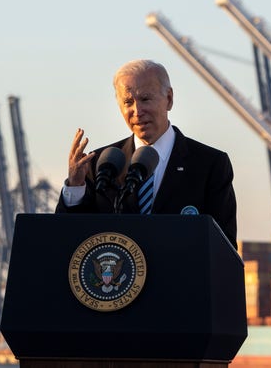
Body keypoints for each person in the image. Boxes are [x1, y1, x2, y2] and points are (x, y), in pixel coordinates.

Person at [55, 59, 238, 247]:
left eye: (145, 99)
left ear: (169, 99)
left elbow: (224, 247)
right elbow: (69, 240)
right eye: (128, 102)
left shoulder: (209, 164)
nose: (137, 111)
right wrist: (75, 187)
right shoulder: (100, 164)